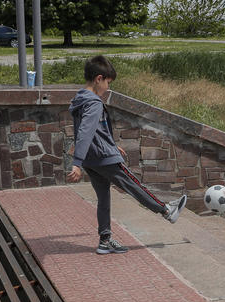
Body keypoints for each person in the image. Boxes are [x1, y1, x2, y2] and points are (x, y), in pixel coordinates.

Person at [66, 55, 187, 254]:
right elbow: (86, 132)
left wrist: (111, 144)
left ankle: (105, 240)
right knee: (133, 184)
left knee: (104, 198)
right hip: (101, 158)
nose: (107, 88)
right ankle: (166, 210)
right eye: (108, 83)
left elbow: (94, 130)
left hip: (92, 159)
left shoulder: (80, 98)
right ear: (99, 79)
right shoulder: (94, 103)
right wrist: (76, 163)